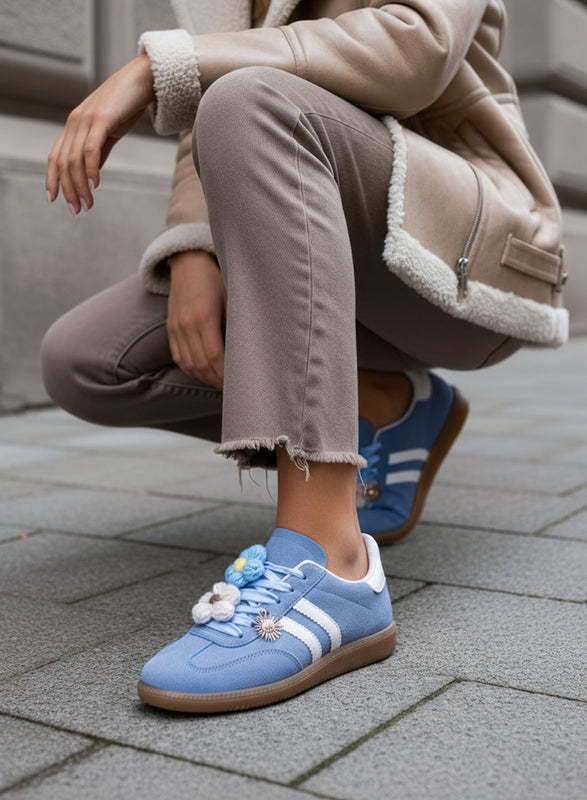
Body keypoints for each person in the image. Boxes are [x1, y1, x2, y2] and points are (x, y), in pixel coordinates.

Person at [41, 0, 567, 713]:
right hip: (298, 217)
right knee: (90, 358)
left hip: (453, 246)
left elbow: (414, 49)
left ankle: (333, 563)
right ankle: (385, 403)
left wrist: (155, 67)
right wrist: (195, 247)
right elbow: (215, 98)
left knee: (249, 99)